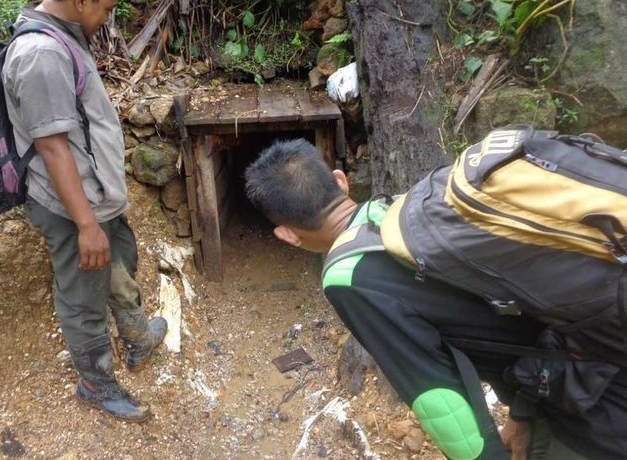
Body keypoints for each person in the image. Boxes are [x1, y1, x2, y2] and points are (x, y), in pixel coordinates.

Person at [245, 139, 627, 459]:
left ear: (288, 235)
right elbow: (514, 314)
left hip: (595, 398)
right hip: (593, 348)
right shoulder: (402, 209)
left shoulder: (348, 276)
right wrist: (523, 413)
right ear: (340, 182)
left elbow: (438, 399)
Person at [2, 0, 166, 422]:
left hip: (97, 200)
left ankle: (137, 339)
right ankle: (95, 383)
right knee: (83, 293)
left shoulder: (62, 38)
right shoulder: (41, 56)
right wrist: (86, 224)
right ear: (81, 0)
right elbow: (53, 149)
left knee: (120, 261)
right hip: (74, 207)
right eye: (107, 8)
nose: (108, 18)